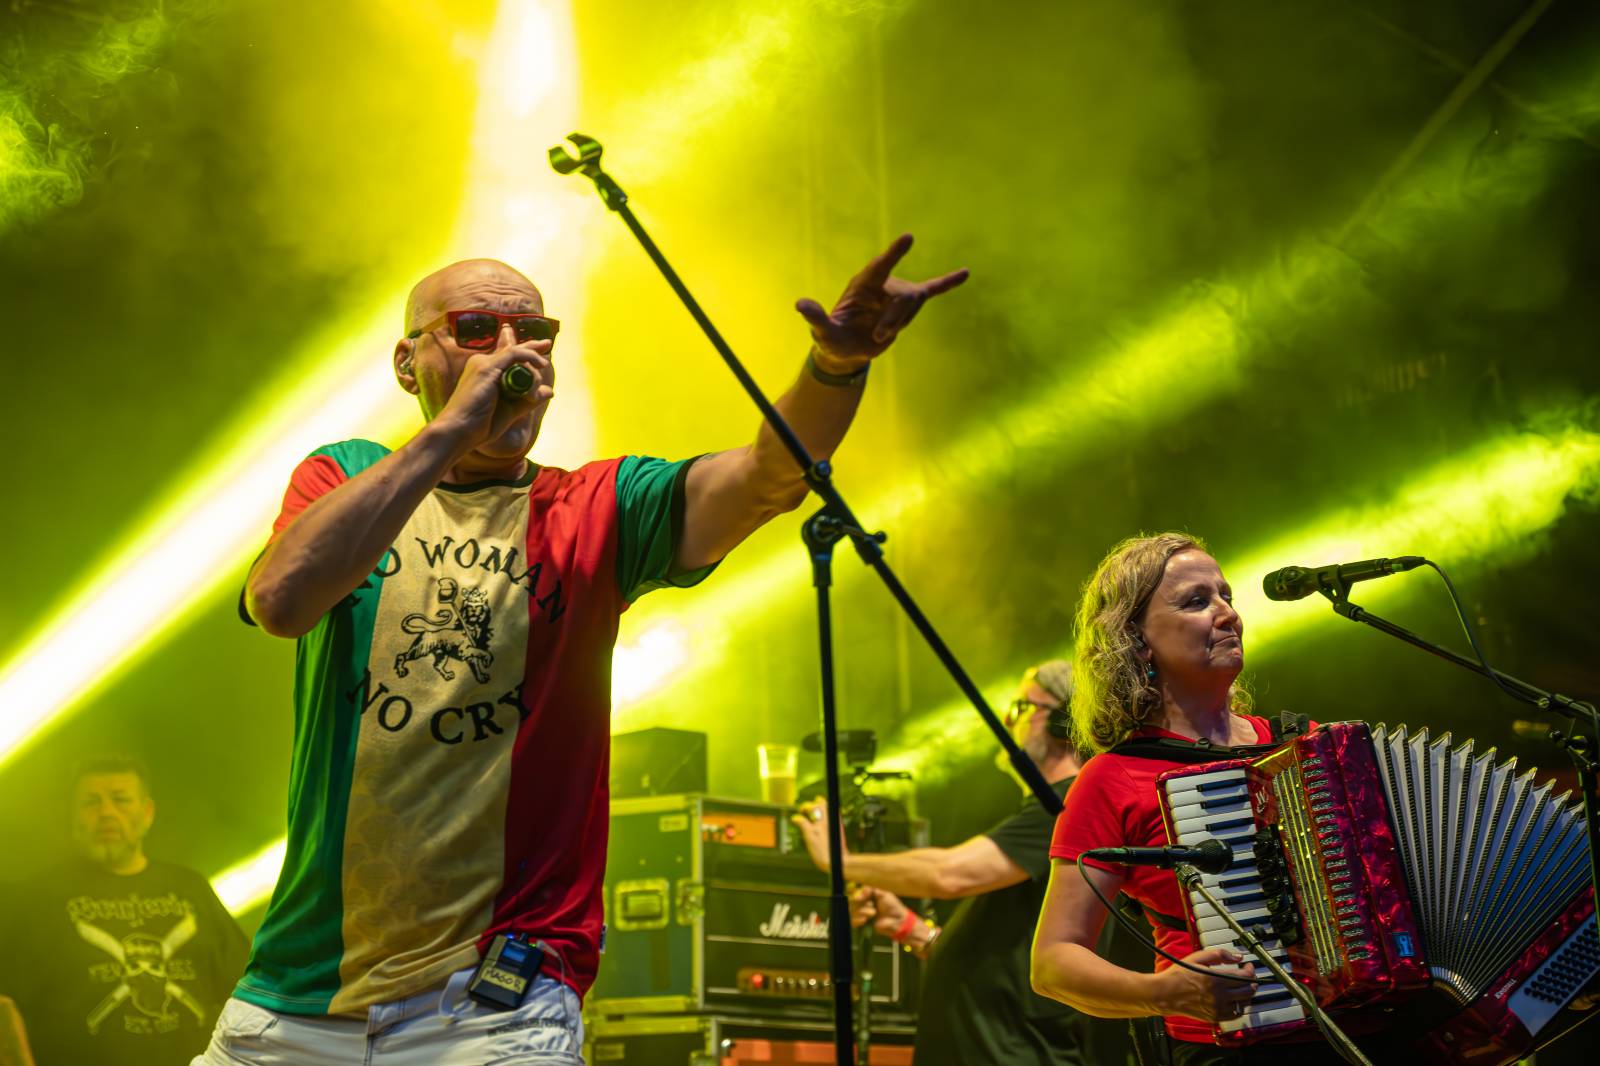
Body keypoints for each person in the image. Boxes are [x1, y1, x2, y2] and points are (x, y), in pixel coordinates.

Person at [197, 238, 967, 1064]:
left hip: (497, 1001)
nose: (512, 351)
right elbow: (281, 601)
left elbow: (766, 478)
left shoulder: (597, 506)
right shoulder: (345, 476)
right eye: (475, 328)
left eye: (533, 331)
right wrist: (454, 430)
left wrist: (835, 365)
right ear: (406, 361)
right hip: (300, 990)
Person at [1029, 533, 1417, 1065]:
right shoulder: (1113, 778)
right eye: (1196, 601)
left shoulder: (1310, 750)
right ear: (1135, 640)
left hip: (1374, 1036)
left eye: (1226, 596)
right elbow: (1053, 962)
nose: (1228, 614)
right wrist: (1165, 992)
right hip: (1231, 1051)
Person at [792, 662, 1141, 1066]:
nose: (1010, 721)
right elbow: (1007, 953)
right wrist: (912, 930)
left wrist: (839, 862)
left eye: (1022, 707)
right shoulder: (1047, 814)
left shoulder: (1065, 808)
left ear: (1064, 721)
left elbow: (949, 873)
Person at [0, 756, 248, 1065]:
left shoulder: (190, 888)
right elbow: (6, 1007)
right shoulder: (40, 898)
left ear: (147, 813)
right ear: (73, 816)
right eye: (91, 802)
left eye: (120, 800)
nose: (106, 812)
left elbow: (246, 990)